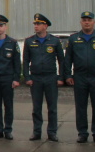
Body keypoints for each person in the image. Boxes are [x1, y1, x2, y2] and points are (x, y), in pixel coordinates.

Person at [64, 11, 95, 145]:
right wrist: (68, 75)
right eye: (84, 20)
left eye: (89, 20)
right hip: (79, 77)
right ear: (81, 22)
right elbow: (68, 59)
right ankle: (82, 133)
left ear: (94, 22)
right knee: (80, 107)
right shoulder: (74, 39)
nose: (87, 22)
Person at [23, 13, 65, 142]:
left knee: (52, 107)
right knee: (36, 107)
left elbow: (61, 61)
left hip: (50, 77)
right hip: (36, 78)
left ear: (45, 26)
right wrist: (27, 77)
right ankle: (37, 132)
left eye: (38, 24)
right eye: (35, 24)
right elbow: (25, 61)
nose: (36, 26)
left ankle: (52, 132)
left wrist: (60, 77)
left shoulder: (54, 41)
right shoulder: (29, 41)